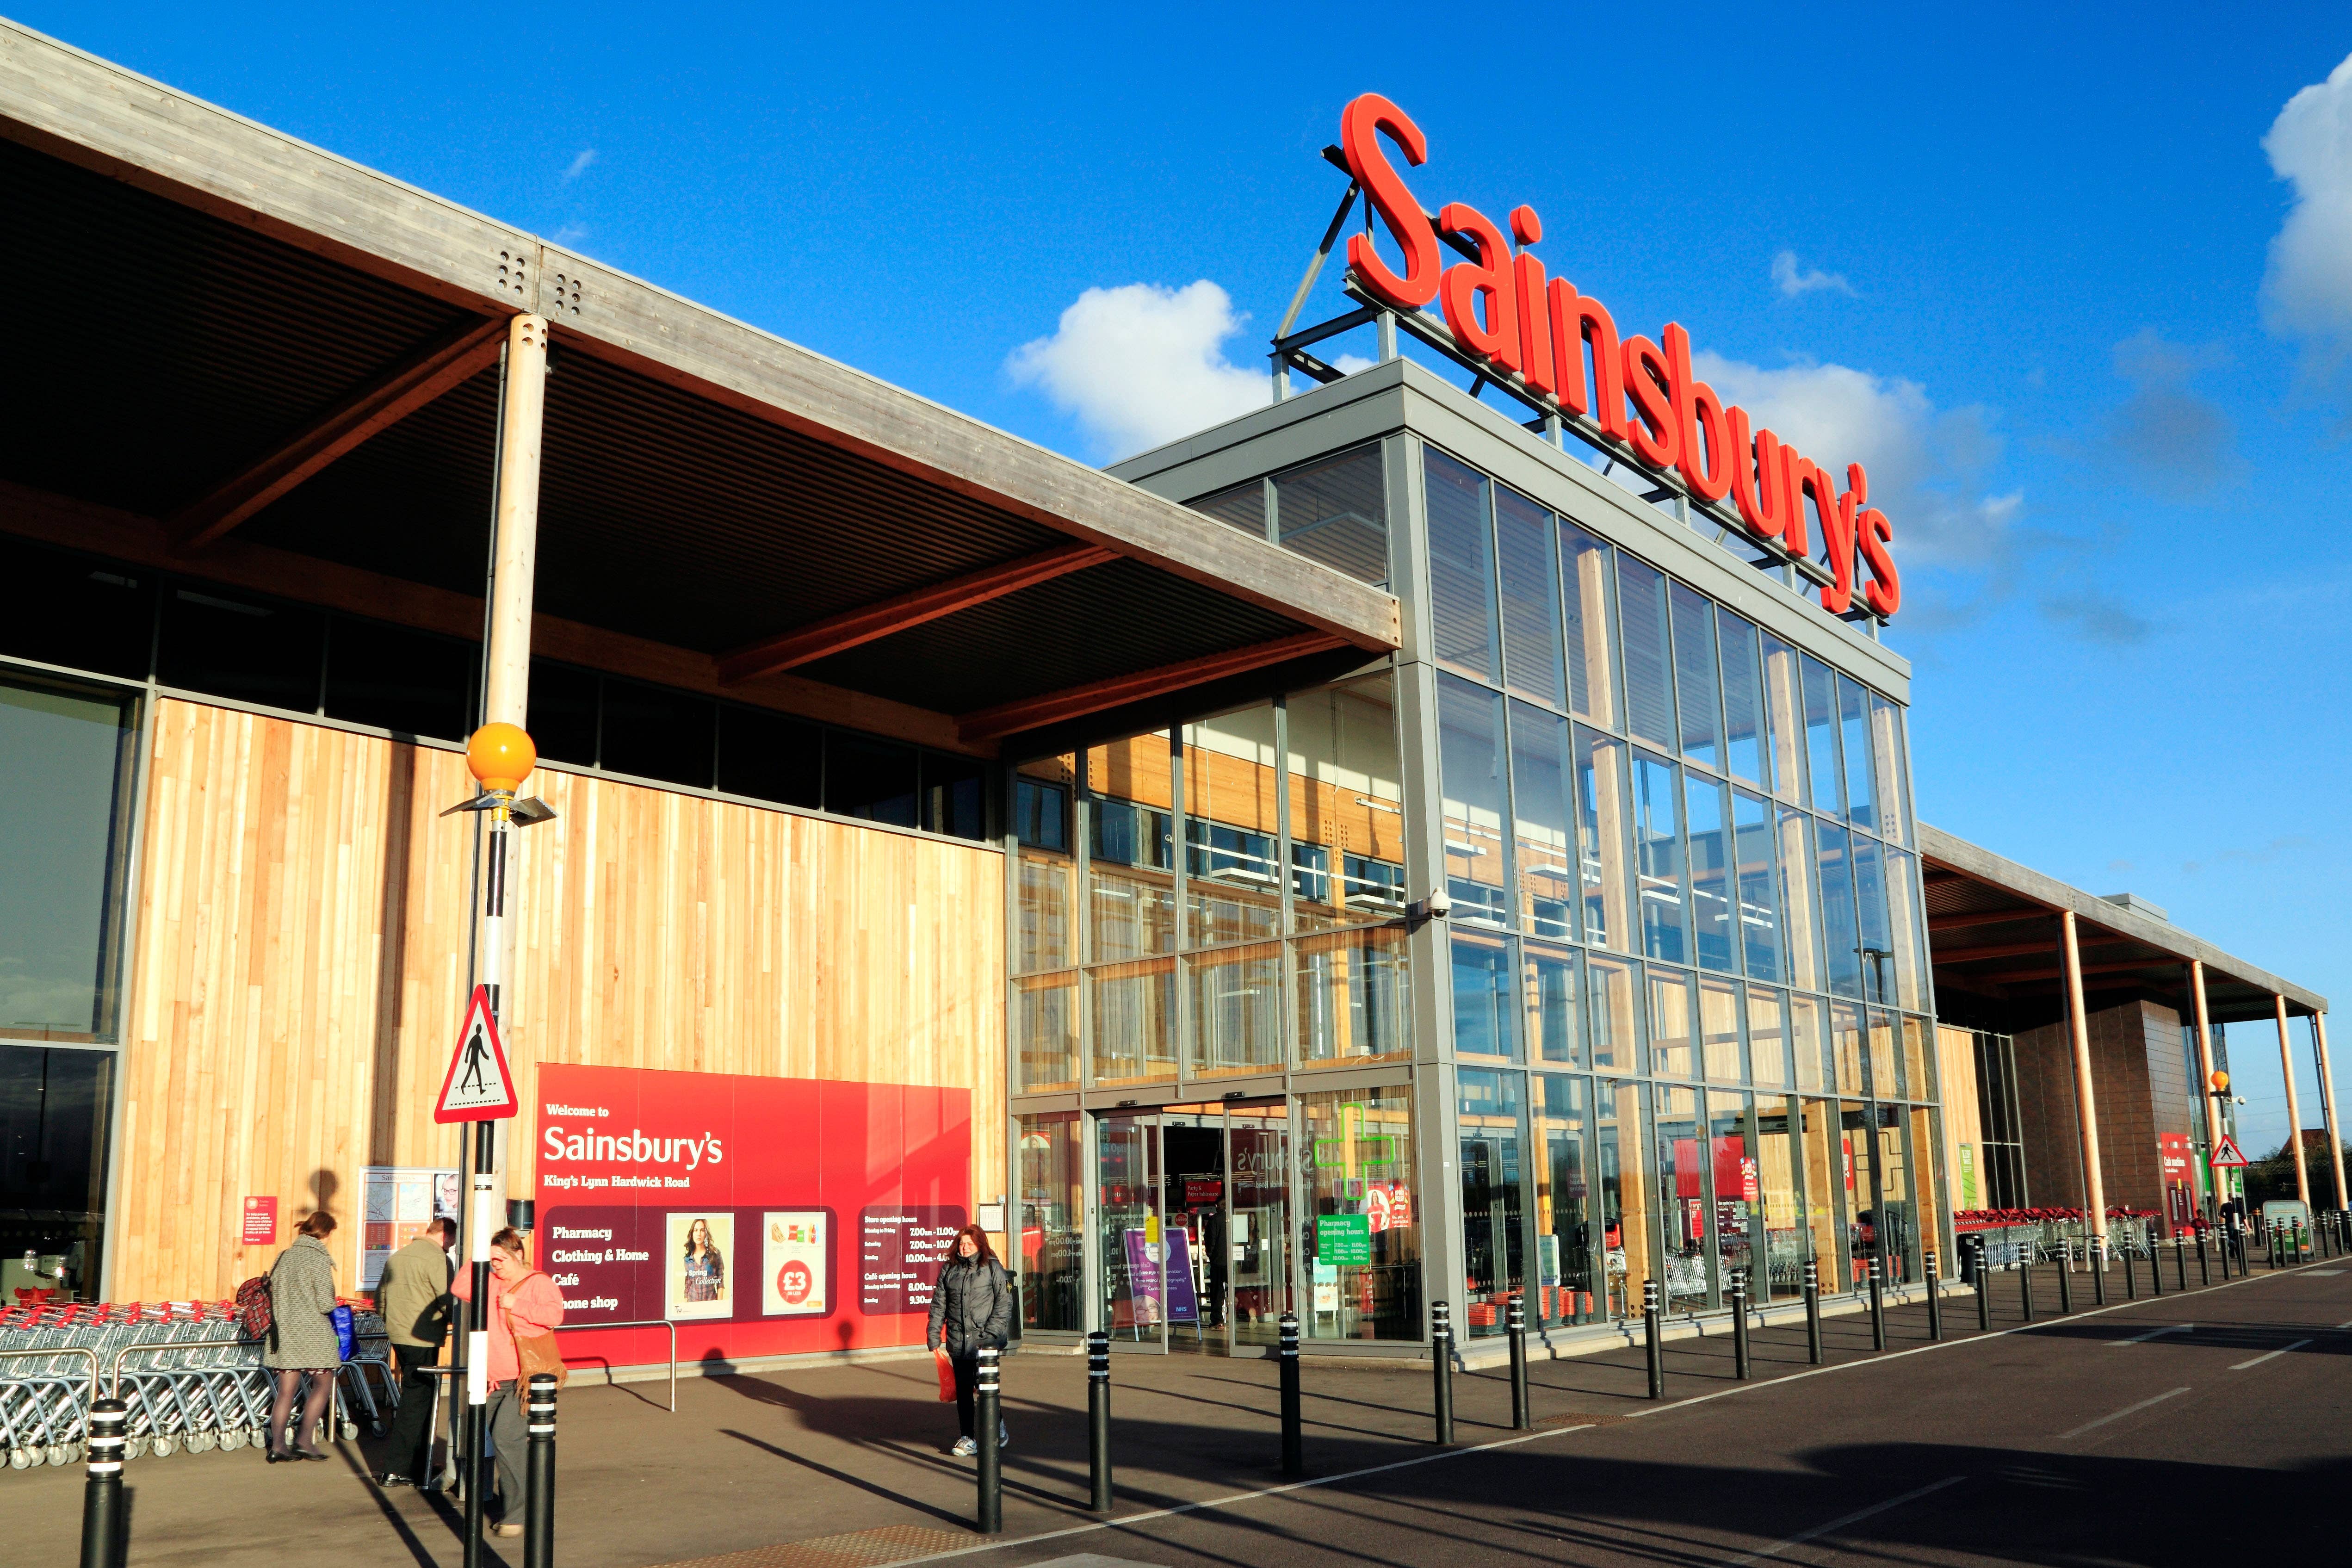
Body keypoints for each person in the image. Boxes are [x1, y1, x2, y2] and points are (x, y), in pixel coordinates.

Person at [451, 1227, 564, 1538]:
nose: (496, 1265)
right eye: (493, 1259)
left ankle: (517, 1513)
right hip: (491, 1378)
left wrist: (517, 1303)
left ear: (520, 1255)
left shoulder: (538, 1281)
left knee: (507, 1439)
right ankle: (517, 1502)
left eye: (501, 1259)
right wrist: (480, 1253)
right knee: (481, 1436)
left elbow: (556, 1315)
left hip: (525, 1377)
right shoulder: (489, 1280)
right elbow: (460, 1286)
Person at [371, 1216, 454, 1488]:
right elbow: (448, 1299)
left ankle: (420, 1463)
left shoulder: (399, 1256)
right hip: (423, 1338)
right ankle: (397, 1468)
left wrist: (391, 1322)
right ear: (445, 1236)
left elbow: (380, 1298)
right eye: (452, 1240)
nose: (453, 1246)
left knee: (418, 1399)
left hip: (398, 1334)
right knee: (417, 1403)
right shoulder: (439, 1259)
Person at [264, 1210, 344, 1462]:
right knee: (324, 1383)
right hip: (313, 1335)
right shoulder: (318, 1259)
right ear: (326, 1233)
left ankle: (278, 1446)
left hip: (284, 1333)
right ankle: (305, 1440)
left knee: (286, 1392)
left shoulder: (284, 1257)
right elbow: (325, 1303)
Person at [925, 1224, 1011, 1457]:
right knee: (964, 1391)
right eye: (962, 1243)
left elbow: (1004, 1304)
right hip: (958, 1342)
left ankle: (998, 1426)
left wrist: (991, 1334)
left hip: (985, 1342)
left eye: (970, 1244)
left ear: (979, 1245)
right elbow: (938, 1306)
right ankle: (968, 1438)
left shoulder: (993, 1268)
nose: (964, 1248)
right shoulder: (949, 1270)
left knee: (985, 1388)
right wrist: (934, 1335)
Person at [681, 1218, 725, 1302]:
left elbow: (720, 1281)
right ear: (692, 1234)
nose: (699, 1234)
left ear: (706, 1233)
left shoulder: (715, 1254)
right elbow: (688, 1285)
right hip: (692, 1303)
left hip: (711, 1303)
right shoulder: (687, 1259)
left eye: (702, 1230)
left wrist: (720, 1305)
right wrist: (685, 1307)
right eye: (696, 1230)